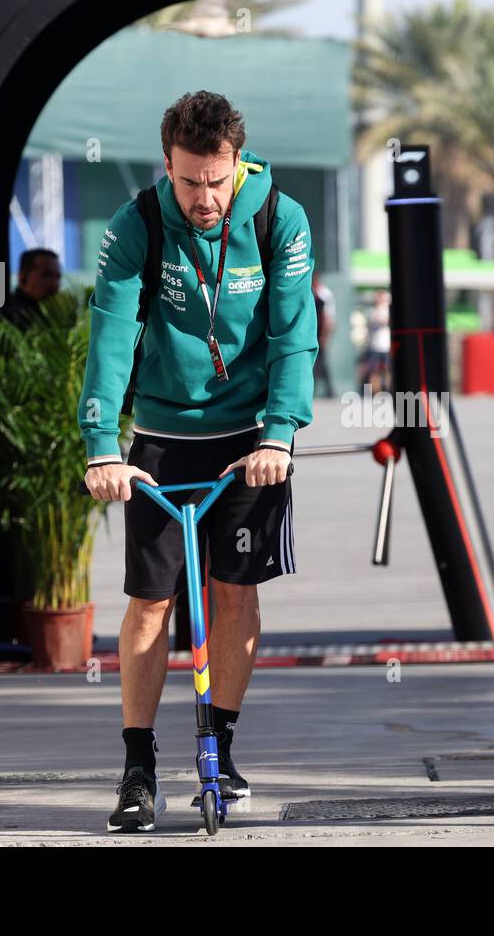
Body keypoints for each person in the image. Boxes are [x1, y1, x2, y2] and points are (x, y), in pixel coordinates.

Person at [77, 91, 317, 833]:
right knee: (150, 603)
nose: (204, 198)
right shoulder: (139, 223)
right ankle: (137, 764)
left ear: (237, 163)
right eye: (188, 182)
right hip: (160, 441)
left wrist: (279, 434)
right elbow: (112, 335)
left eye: (216, 180)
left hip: (249, 444)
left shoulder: (281, 217)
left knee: (234, 597)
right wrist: (101, 446)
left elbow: (295, 334)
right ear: (167, 167)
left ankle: (221, 740)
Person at [2, 248, 62, 329]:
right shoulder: (10, 315)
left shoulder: (58, 314)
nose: (54, 283)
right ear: (23, 276)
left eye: (58, 277)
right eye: (46, 275)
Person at [312, 269, 336, 397]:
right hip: (312, 332)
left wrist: (324, 335)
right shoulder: (310, 291)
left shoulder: (323, 294)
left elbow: (328, 317)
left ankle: (329, 390)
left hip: (320, 332)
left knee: (322, 361)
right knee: (316, 362)